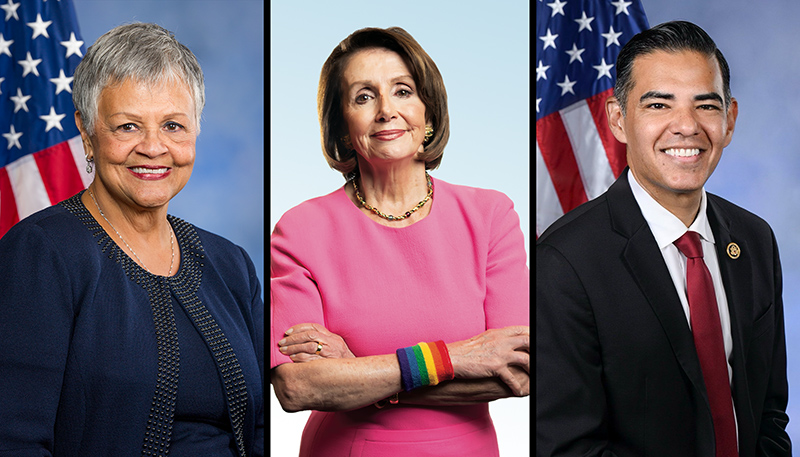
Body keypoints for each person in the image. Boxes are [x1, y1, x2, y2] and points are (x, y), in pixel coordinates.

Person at [0, 23, 263, 456]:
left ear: (196, 130)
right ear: (86, 133)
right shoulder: (41, 254)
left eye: (174, 125)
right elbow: (13, 441)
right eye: (127, 127)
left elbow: (259, 432)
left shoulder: (231, 264)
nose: (154, 147)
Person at [270, 27, 529, 456]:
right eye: (364, 97)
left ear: (428, 113)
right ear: (341, 124)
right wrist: (456, 358)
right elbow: (298, 388)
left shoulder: (490, 215)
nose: (386, 110)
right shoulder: (300, 230)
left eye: (403, 91)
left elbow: (516, 374)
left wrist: (356, 374)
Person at [536, 21, 790, 456]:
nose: (686, 127)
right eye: (658, 105)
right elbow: (569, 447)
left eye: (705, 106)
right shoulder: (564, 261)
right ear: (618, 119)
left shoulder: (755, 240)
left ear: (729, 120)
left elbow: (767, 414)